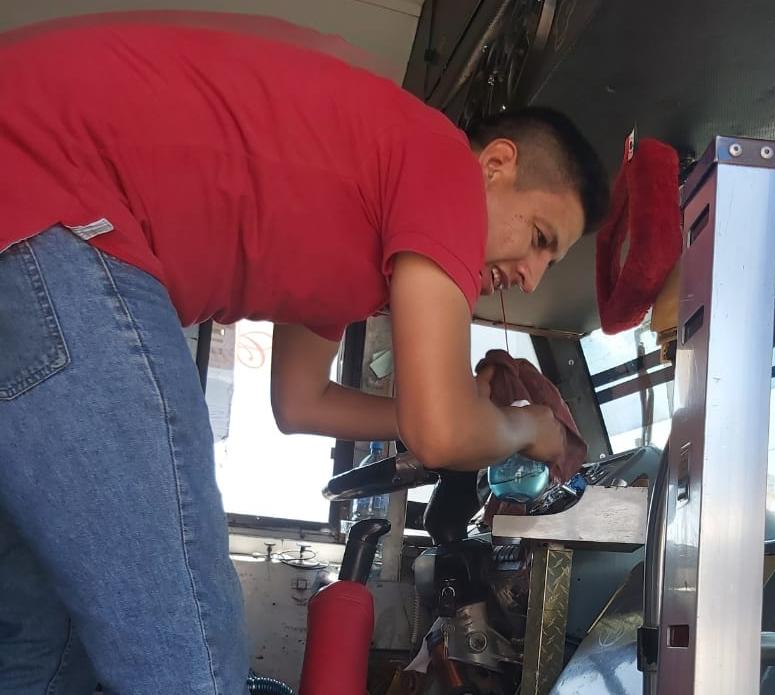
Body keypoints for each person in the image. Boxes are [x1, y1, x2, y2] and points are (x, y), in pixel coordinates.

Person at [0, 12, 609, 694]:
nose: (531, 276)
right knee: (189, 646)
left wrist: (460, 412)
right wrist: (529, 427)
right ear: (495, 166)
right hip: (51, 205)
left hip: (26, 214)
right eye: (540, 238)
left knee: (41, 636)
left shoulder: (354, 229)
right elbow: (441, 434)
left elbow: (301, 403)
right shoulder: (442, 160)